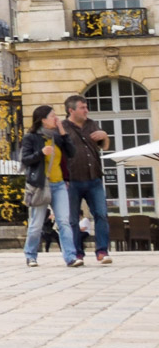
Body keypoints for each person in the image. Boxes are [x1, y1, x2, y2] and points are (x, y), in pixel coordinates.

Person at [59, 94, 114, 265]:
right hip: (72, 180)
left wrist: (105, 136)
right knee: (73, 219)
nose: (86, 110)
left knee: (101, 214)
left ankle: (102, 251)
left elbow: (104, 147)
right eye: (82, 107)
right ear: (71, 110)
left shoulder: (91, 124)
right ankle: (77, 253)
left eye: (86, 107)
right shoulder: (62, 127)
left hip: (94, 178)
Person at [19, 105, 76, 268]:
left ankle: (70, 257)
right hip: (40, 185)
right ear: (43, 120)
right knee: (36, 224)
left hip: (58, 185)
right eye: (52, 116)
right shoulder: (31, 138)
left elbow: (71, 152)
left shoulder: (57, 137)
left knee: (64, 221)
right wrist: (41, 153)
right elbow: (26, 160)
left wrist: (62, 131)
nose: (56, 118)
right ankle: (30, 255)